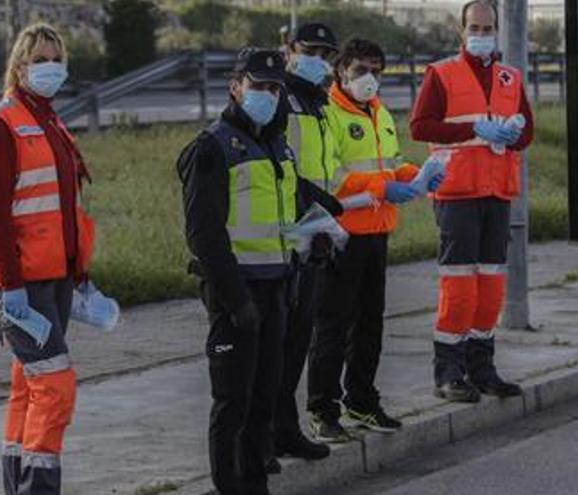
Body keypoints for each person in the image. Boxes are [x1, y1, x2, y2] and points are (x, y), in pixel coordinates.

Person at [177, 48, 339, 495]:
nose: (268, 95)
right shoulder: (212, 147)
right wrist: (236, 300)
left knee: (263, 401)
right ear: (236, 87)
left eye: (274, 88)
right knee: (233, 405)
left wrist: (316, 235)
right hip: (237, 297)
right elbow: (204, 236)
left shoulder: (276, 144)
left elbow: (288, 206)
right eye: (258, 86)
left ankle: (254, 485)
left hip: (277, 290)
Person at [0, 23, 95, 495]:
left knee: (29, 386)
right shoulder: (0, 123)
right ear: (19, 65)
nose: (49, 68)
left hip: (57, 277)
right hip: (21, 282)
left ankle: (17, 485)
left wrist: (82, 276)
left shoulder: (52, 122)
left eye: (55, 59)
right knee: (56, 384)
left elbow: (65, 208)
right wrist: (11, 285)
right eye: (39, 59)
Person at [307, 37, 441, 442]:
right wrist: (384, 186)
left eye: (377, 71)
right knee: (332, 325)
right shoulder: (326, 113)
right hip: (341, 234)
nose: (370, 79)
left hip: (377, 231)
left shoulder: (378, 111)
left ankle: (362, 401)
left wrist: (418, 175)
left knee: (369, 324)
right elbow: (331, 177)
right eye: (361, 70)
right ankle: (322, 409)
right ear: (341, 70)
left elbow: (392, 161)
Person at [410, 0, 533, 402]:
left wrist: (514, 132)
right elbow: (420, 126)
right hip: (457, 193)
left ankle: (482, 369)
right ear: (461, 32)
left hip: (497, 193)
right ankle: (448, 372)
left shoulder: (510, 78)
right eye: (475, 28)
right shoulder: (442, 75)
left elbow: (527, 133)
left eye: (488, 28)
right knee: (460, 286)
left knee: (490, 287)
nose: (483, 35)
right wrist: (471, 129)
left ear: (498, 30)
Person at [273, 22, 340, 463]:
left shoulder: (319, 103)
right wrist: (317, 208)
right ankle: (263, 435)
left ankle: (285, 428)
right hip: (282, 231)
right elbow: (277, 166)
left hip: (313, 231)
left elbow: (325, 165)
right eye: (309, 50)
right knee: (273, 347)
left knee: (297, 340)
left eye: (324, 52)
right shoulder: (278, 97)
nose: (318, 58)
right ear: (290, 49)